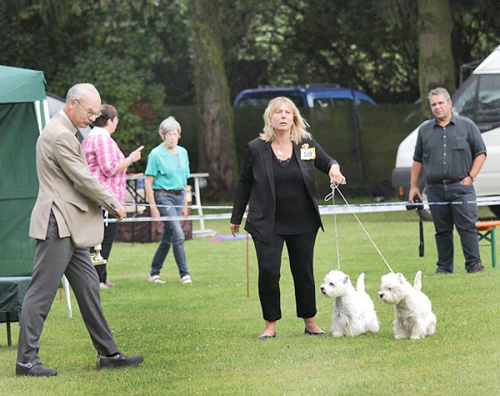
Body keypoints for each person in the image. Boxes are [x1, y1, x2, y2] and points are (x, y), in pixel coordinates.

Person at [16, 83, 143, 377]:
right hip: (57, 223)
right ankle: (26, 360)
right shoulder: (60, 135)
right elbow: (83, 178)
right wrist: (114, 203)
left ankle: (108, 354)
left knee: (88, 290)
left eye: (97, 112)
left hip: (70, 226)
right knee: (40, 294)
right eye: (90, 111)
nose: (93, 117)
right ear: (72, 104)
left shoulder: (66, 132)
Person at [229, 96, 346, 340]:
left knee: (303, 271)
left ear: (294, 118)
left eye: (288, 112)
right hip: (266, 222)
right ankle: (270, 325)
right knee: (269, 272)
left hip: (303, 221)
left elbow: (327, 162)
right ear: (269, 118)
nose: (283, 116)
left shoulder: (305, 144)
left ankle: (310, 321)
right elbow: (244, 182)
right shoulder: (255, 148)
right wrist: (236, 216)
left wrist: (334, 168)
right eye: (278, 112)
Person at [409, 87, 487, 274]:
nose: (437, 107)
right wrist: (413, 187)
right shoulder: (424, 130)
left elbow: (481, 153)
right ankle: (444, 268)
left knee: (467, 227)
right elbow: (417, 160)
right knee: (442, 231)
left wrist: (471, 177)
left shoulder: (467, 126)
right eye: (433, 104)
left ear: (449, 103)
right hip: (435, 188)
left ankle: (474, 266)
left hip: (461, 187)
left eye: (441, 103)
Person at [82, 104, 144, 290]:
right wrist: (131, 159)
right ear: (109, 121)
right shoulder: (102, 139)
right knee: (103, 240)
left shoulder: (93, 137)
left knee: (100, 240)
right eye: (116, 120)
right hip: (105, 201)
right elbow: (109, 168)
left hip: (100, 199)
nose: (117, 123)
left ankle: (102, 277)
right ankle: (98, 280)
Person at [145, 116, 192, 284]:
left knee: (167, 237)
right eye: (169, 134)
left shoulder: (183, 152)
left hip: (179, 196)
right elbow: (148, 182)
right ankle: (185, 274)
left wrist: (185, 204)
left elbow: (185, 180)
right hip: (163, 196)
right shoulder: (156, 154)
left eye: (175, 133)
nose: (172, 137)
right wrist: (153, 207)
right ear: (162, 135)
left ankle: (154, 272)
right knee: (178, 234)